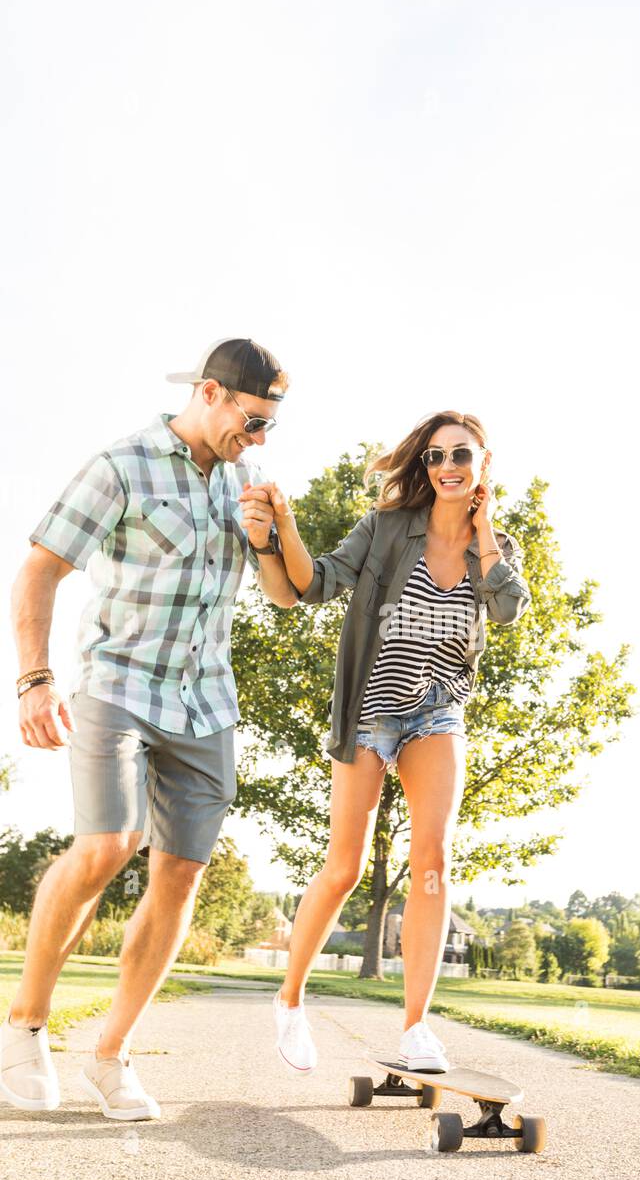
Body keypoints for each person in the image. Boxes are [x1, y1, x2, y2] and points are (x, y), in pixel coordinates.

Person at [1, 338, 300, 1121]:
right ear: (209, 392)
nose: (261, 438)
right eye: (253, 420)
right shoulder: (122, 464)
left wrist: (269, 535)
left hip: (207, 701)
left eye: (271, 425)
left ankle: (111, 1055)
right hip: (118, 685)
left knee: (181, 873)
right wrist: (34, 680)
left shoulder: (251, 479)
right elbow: (40, 567)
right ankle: (24, 1025)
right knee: (106, 845)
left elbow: (279, 595)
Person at [241, 410, 531, 1075]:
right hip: (371, 707)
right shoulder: (386, 528)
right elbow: (313, 585)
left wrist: (484, 531)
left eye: (461, 454)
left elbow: (509, 607)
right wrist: (279, 530)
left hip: (437, 711)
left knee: (433, 859)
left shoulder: (499, 546)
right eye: (434, 457)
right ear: (424, 468)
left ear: (483, 464)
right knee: (344, 865)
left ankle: (416, 1027)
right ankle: (289, 1001)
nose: (447, 466)